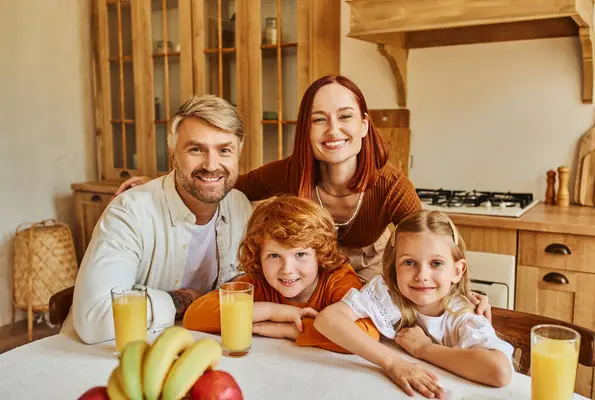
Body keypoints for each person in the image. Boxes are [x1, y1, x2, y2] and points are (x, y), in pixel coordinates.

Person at [115, 75, 491, 319]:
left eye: (344, 117)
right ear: (306, 130)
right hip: (306, 274)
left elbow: (432, 243)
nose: (333, 130)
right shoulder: (292, 172)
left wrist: (464, 295)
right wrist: (164, 184)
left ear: (363, 124)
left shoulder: (390, 185)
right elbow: (225, 182)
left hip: (367, 273)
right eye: (318, 119)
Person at [70, 95, 253, 344]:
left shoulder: (240, 206)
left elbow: (245, 282)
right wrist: (182, 300)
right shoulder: (129, 212)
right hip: (113, 357)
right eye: (196, 149)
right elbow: (94, 319)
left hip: (203, 347)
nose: (211, 165)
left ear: (238, 153)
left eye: (224, 150)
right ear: (172, 154)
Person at [314, 210, 513, 398]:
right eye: (409, 262)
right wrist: (392, 362)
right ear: (394, 268)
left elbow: (499, 370)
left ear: (457, 271)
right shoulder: (386, 294)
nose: (421, 276)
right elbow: (328, 319)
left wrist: (424, 349)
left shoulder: (461, 317)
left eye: (436, 263)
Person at [183, 196, 380, 353]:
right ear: (258, 256)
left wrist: (289, 330)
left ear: (320, 255)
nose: (287, 269)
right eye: (274, 255)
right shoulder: (260, 283)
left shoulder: (338, 280)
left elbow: (366, 334)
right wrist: (272, 311)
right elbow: (194, 316)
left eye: (300, 254)